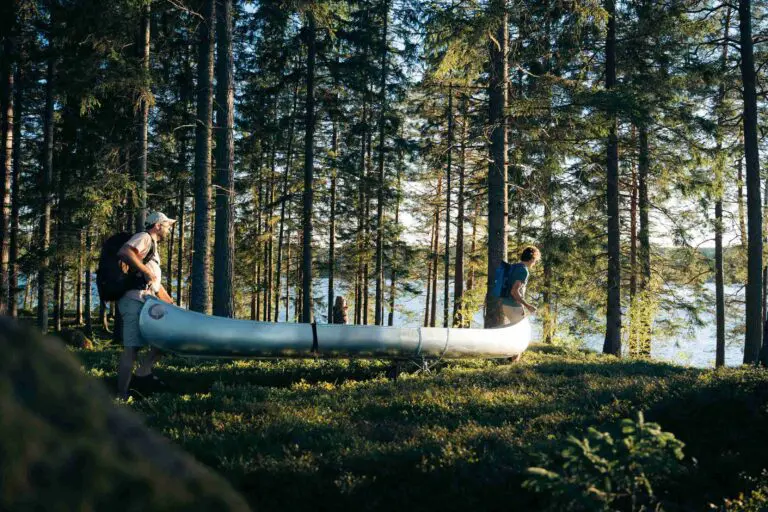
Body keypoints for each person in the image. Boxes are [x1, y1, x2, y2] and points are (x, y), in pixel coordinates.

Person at [116, 211, 176, 400]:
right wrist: (145, 272)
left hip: (147, 301)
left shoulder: (153, 247)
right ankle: (122, 396)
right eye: (167, 225)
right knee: (132, 349)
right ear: (157, 225)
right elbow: (124, 252)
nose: (168, 229)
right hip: (134, 300)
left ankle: (143, 372)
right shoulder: (144, 237)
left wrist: (172, 305)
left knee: (166, 337)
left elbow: (155, 282)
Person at [502, 246, 541, 326]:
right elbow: (514, 291)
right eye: (535, 261)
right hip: (513, 306)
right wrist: (527, 306)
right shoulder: (523, 271)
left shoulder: (514, 266)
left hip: (505, 304)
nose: (534, 263)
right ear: (532, 259)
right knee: (519, 332)